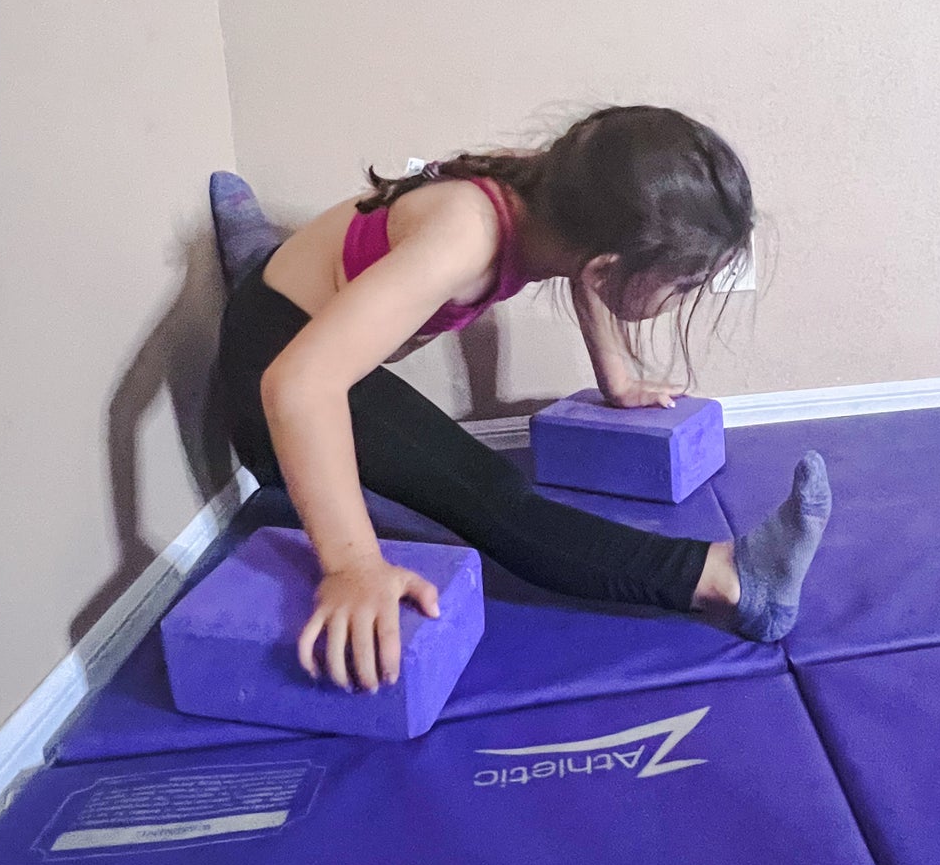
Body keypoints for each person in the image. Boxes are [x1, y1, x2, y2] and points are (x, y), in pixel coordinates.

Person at [210, 105, 831, 695]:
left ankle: (265, 259)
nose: (685, 297)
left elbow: (589, 273)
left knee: (330, 315)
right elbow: (298, 385)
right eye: (686, 284)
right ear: (607, 267)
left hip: (303, 316)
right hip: (276, 357)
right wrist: (351, 567)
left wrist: (616, 380)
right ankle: (730, 580)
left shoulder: (563, 197)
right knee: (493, 497)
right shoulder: (464, 236)